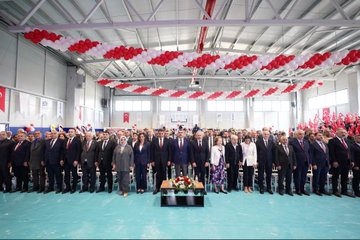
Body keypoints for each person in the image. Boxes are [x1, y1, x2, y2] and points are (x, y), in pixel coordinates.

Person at [328, 128, 355, 197]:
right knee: (336, 176)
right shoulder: (332, 141)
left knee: (345, 177)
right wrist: (334, 161)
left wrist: (351, 160)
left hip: (346, 162)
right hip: (337, 162)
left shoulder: (347, 141)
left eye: (345, 132)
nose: (344, 134)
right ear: (337, 133)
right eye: (342, 132)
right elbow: (331, 152)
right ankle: (335, 190)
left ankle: (344, 191)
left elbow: (349, 152)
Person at [290, 130, 312, 196]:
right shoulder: (292, 142)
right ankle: (298, 189)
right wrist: (293, 163)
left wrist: (310, 162)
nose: (302, 135)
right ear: (296, 135)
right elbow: (291, 154)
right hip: (297, 162)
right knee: (297, 176)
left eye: (303, 134)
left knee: (304, 177)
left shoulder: (306, 141)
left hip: (305, 162)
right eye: (300, 134)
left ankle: (302, 189)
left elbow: (309, 152)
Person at [151, 129, 171, 195]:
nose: (161, 134)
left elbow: (169, 151)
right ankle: (157, 188)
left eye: (162, 133)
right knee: (157, 174)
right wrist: (152, 160)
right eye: (159, 133)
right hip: (156, 160)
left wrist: (169, 160)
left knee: (164, 174)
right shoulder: (154, 141)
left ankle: (164, 188)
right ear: (158, 134)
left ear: (164, 133)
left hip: (164, 160)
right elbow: (152, 151)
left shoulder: (167, 141)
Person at [63, 128, 82, 194]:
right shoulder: (65, 140)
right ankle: (67, 187)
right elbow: (63, 151)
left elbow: (78, 151)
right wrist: (62, 159)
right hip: (66, 161)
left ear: (74, 133)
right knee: (66, 175)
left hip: (73, 161)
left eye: (72, 132)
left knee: (74, 175)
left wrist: (76, 160)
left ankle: (74, 187)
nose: (70, 133)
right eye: (69, 132)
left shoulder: (77, 141)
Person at [256, 130, 275, 194]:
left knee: (269, 175)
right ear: (262, 135)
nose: (266, 135)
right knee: (260, 174)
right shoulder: (258, 142)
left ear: (269, 135)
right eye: (264, 134)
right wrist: (257, 161)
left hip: (269, 161)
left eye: (267, 134)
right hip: (261, 161)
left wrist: (273, 162)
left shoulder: (271, 142)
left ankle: (269, 188)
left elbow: (273, 152)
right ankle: (261, 187)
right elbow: (257, 152)